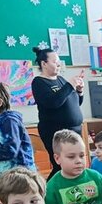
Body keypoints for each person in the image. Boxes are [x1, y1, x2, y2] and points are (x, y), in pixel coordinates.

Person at [31, 46, 84, 180]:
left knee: (74, 166)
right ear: (44, 64)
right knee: (61, 165)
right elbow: (53, 102)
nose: (59, 64)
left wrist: (79, 91)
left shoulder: (61, 80)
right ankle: (48, 191)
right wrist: (69, 86)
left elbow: (75, 103)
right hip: (55, 131)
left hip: (75, 129)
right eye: (55, 62)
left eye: (59, 61)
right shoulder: (38, 82)